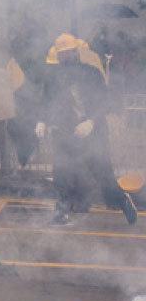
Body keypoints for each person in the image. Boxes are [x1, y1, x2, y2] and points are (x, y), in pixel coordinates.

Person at [37, 33, 137, 225]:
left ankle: (122, 199)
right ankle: (62, 211)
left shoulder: (92, 73)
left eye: (69, 53)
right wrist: (42, 120)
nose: (65, 57)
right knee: (62, 172)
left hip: (93, 133)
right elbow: (47, 101)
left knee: (102, 174)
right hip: (65, 133)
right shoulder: (53, 76)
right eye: (61, 54)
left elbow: (104, 102)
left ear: (76, 53)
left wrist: (91, 122)